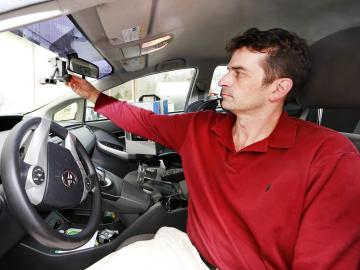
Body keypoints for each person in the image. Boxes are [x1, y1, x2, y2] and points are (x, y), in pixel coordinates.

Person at [67, 28, 360, 269]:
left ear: (278, 88)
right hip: (186, 254)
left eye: (238, 73)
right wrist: (92, 94)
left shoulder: (331, 157)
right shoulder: (201, 127)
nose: (223, 81)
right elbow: (144, 120)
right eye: (227, 70)